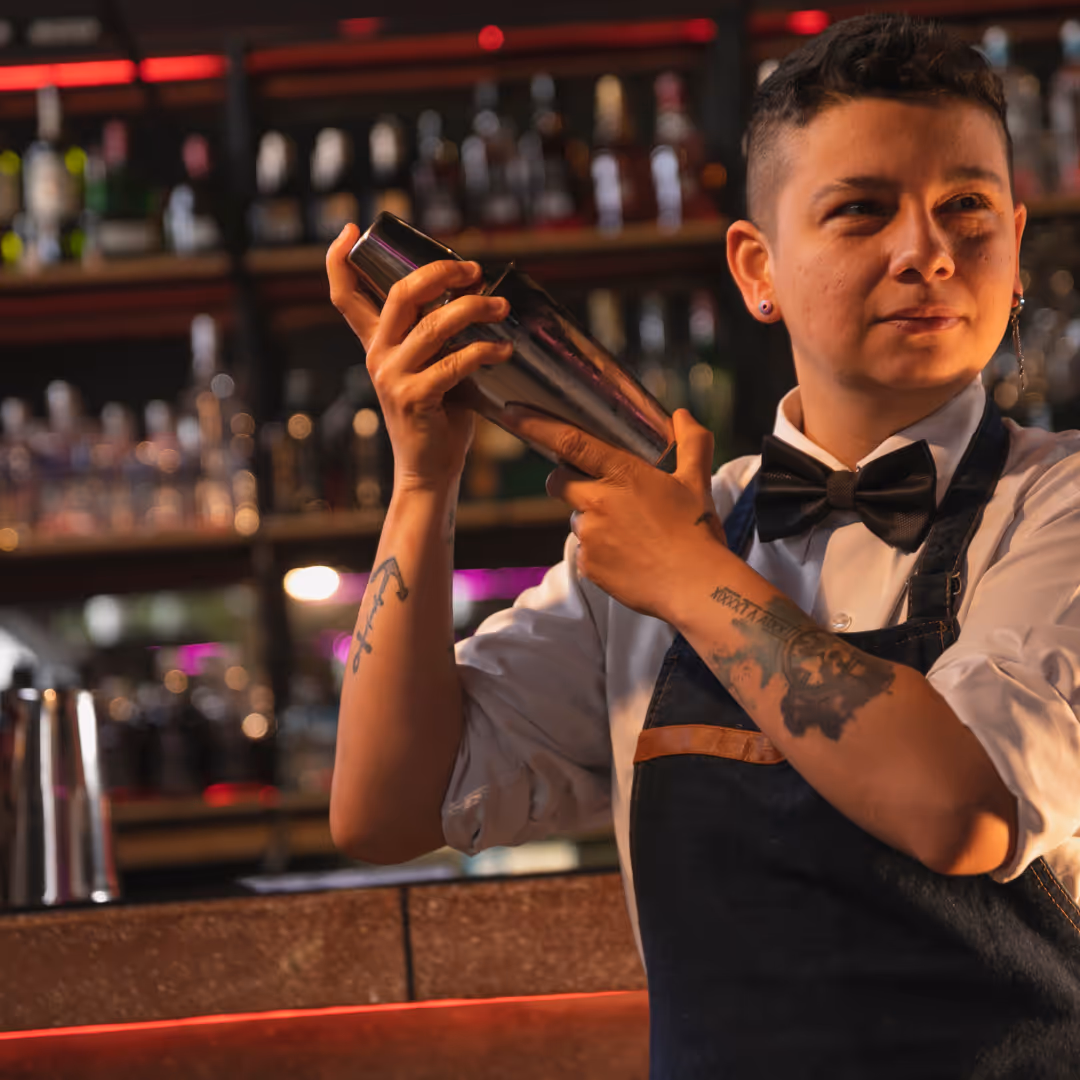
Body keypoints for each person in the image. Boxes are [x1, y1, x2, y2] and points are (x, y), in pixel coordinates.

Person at [325, 14, 1080, 1077]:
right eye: (863, 210)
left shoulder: (1057, 504)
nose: (928, 251)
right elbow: (384, 807)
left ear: (1014, 238)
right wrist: (421, 481)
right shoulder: (669, 531)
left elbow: (963, 811)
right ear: (756, 268)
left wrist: (690, 578)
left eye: (967, 208)